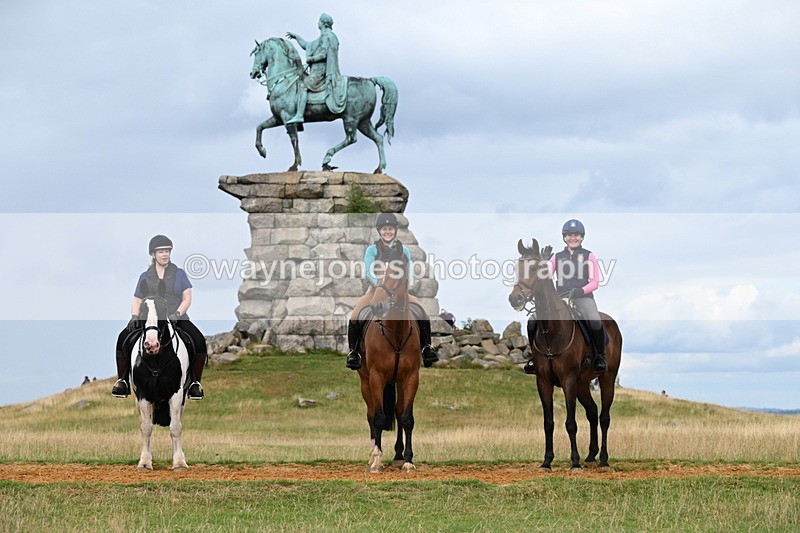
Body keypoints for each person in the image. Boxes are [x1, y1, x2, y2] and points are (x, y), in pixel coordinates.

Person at [111, 235, 208, 400]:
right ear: (153, 254)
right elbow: (137, 299)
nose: (165, 254)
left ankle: (194, 383)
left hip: (176, 317)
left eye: (167, 251)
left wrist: (177, 314)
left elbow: (187, 298)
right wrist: (135, 316)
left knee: (198, 341)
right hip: (149, 318)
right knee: (123, 338)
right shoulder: (145, 277)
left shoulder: (179, 274)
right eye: (161, 251)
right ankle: (123, 380)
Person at [346, 213, 438, 370]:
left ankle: (426, 348)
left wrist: (407, 286)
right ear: (379, 231)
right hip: (376, 290)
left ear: (395, 230)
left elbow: (409, 271)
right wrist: (380, 286)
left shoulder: (405, 251)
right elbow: (369, 271)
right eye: (384, 229)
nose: (387, 232)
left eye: (390, 229)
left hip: (400, 290)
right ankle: (354, 353)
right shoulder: (372, 250)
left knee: (422, 313)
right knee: (355, 315)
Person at [524, 219, 608, 374]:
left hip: (583, 297)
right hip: (560, 298)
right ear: (564, 237)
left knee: (595, 321)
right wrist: (543, 261)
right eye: (569, 235)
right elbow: (544, 277)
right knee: (532, 321)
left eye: (576, 235)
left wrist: (581, 291)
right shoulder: (557, 257)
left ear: (582, 237)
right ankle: (534, 358)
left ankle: (600, 358)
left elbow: (595, 282)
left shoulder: (589, 256)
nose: (573, 238)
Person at [285, 13, 347, 124]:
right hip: (316, 71)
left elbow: (324, 54)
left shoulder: (328, 36)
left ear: (323, 23)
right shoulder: (322, 37)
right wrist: (297, 37)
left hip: (321, 72)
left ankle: (299, 115)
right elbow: (307, 45)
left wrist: (311, 59)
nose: (317, 23)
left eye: (319, 21)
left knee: (302, 86)